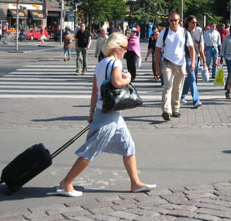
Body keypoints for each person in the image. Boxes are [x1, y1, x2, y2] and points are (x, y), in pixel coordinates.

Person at [57, 33, 156, 196]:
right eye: (125, 48)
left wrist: (91, 112)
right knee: (90, 151)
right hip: (108, 117)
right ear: (117, 48)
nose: (126, 51)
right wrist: (128, 79)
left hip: (109, 113)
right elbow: (117, 82)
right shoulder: (116, 62)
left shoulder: (101, 63)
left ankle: (135, 183)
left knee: (128, 146)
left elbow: (95, 91)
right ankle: (66, 182)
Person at [155, 12, 194, 121]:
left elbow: (191, 48)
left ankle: (175, 109)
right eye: (171, 20)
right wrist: (157, 66)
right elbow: (157, 50)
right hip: (167, 63)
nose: (173, 22)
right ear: (168, 21)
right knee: (168, 86)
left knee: (178, 87)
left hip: (181, 64)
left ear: (179, 21)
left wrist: (193, 62)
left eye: (175, 20)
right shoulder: (164, 33)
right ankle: (166, 110)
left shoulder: (185, 33)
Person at [181, 15, 206, 108]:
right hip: (186, 57)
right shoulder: (183, 32)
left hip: (196, 58)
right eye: (193, 22)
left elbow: (201, 47)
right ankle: (196, 100)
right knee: (192, 78)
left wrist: (204, 61)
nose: (195, 24)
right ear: (188, 22)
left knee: (190, 78)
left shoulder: (199, 32)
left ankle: (182, 96)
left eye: (196, 22)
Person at [221, 26, 231, 92]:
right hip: (228, 57)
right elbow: (223, 47)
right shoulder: (226, 38)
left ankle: (228, 85)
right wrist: (221, 57)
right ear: (229, 31)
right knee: (230, 71)